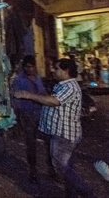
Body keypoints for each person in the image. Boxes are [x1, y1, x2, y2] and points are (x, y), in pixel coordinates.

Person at [14, 58, 97, 198]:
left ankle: (87, 192)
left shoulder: (69, 87)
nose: (53, 70)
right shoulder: (62, 85)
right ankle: (72, 194)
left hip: (64, 134)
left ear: (66, 71)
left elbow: (54, 101)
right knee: (66, 167)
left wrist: (27, 95)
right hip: (58, 131)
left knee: (61, 166)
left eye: (56, 68)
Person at [11, 55, 48, 183]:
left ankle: (50, 169)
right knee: (31, 144)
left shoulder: (37, 78)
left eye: (32, 67)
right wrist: (19, 117)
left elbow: (42, 92)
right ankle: (33, 169)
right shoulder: (19, 80)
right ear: (24, 67)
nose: (30, 69)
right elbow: (16, 99)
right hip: (27, 115)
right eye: (27, 67)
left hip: (40, 113)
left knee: (47, 143)